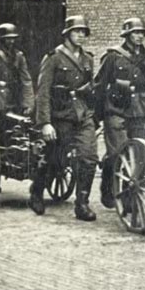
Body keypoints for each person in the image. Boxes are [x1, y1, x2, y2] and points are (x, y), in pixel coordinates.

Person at [28, 15, 98, 222]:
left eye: (83, 32)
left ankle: (82, 204)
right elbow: (43, 92)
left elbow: (89, 88)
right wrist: (45, 123)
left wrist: (93, 114)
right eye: (76, 31)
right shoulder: (53, 58)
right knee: (54, 160)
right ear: (67, 34)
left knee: (89, 157)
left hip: (82, 114)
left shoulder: (88, 59)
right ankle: (37, 190)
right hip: (60, 116)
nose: (80, 35)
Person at [94, 17, 145, 207]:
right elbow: (100, 86)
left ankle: (129, 194)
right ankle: (108, 185)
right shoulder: (113, 57)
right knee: (118, 153)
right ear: (126, 35)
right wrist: (96, 116)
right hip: (116, 110)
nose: (139, 36)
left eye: (142, 33)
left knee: (140, 155)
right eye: (135, 33)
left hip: (141, 111)